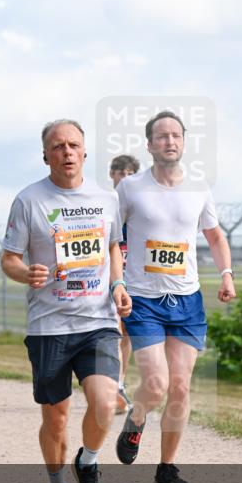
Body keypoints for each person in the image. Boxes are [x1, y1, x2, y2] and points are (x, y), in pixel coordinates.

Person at [0, 119, 131, 483]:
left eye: (74, 145)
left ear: (85, 152)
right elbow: (9, 259)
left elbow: (112, 247)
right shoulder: (29, 200)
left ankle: (87, 462)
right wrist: (26, 273)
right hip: (49, 327)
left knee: (105, 402)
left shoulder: (106, 199)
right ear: (46, 155)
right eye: (58, 146)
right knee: (55, 417)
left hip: (98, 321)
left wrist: (119, 283)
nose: (67, 152)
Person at [114, 110, 236, 483]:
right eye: (162, 136)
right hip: (143, 299)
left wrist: (226, 274)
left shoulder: (199, 188)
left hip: (186, 300)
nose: (170, 141)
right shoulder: (130, 188)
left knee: (180, 387)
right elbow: (112, 240)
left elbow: (215, 238)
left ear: (184, 142)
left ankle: (167, 466)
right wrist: (117, 282)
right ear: (149, 145)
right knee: (155, 385)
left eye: (176, 135)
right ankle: (136, 418)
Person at [109, 154, 141, 414]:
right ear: (112, 175)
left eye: (130, 174)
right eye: (121, 173)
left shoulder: (140, 209)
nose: (125, 178)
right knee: (115, 333)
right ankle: (113, 385)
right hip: (111, 280)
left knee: (126, 334)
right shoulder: (107, 206)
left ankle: (119, 383)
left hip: (135, 280)